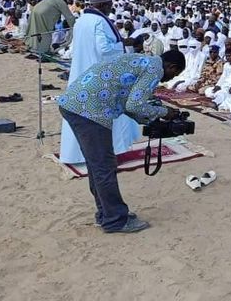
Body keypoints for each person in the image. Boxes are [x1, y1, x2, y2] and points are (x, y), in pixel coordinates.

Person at [57, 50, 186, 233]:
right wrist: (165, 113)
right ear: (172, 67)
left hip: (74, 104)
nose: (169, 79)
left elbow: (127, 102)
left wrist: (150, 119)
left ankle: (106, 213)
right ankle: (115, 220)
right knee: (104, 166)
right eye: (175, 74)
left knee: (97, 165)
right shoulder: (154, 70)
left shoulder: (140, 60)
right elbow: (134, 105)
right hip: (89, 112)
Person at [59, 0, 140, 164]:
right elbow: (105, 50)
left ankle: (77, 155)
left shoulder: (82, 20)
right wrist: (123, 45)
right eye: (110, 5)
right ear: (103, 5)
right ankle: (112, 152)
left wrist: (124, 43)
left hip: (82, 73)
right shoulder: (99, 22)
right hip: (99, 78)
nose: (111, 8)